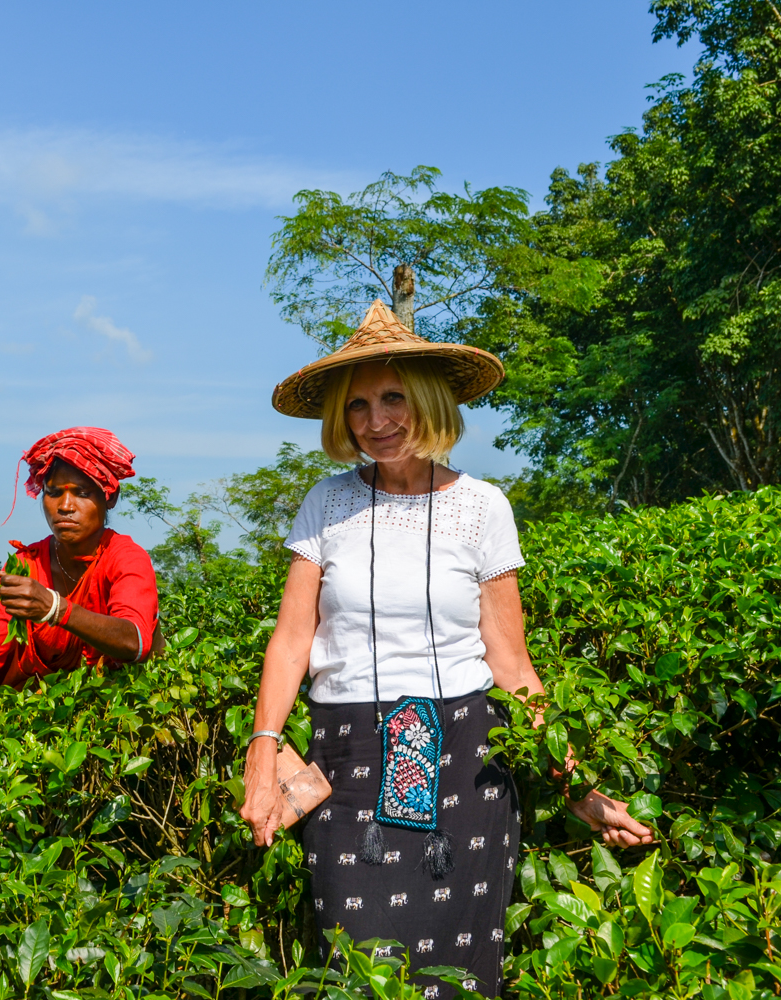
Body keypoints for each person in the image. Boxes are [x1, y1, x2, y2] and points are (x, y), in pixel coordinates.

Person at [239, 301, 652, 997]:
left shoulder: (483, 506)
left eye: (393, 397)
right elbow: (291, 639)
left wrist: (573, 784)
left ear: (428, 400)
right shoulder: (327, 502)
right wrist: (262, 748)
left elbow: (511, 662)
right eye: (359, 406)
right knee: (355, 968)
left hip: (464, 761)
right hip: (348, 757)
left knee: (456, 976)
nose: (376, 421)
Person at [0, 427, 160, 694]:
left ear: (110, 498)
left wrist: (55, 609)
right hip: (28, 724)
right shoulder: (25, 566)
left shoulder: (125, 558)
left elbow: (136, 641)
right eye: (53, 492)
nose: (65, 506)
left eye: (82, 493)